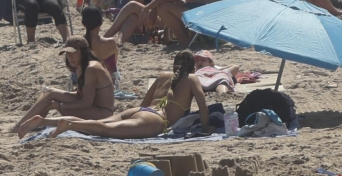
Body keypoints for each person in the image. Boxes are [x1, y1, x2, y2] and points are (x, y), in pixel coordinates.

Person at [31, 51, 209, 140]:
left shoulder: (163, 75)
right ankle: (69, 124)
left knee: (101, 123)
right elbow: (203, 108)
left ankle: (45, 121)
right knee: (106, 130)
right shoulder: (192, 79)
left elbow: (144, 102)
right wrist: (207, 129)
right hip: (156, 120)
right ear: (192, 68)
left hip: (139, 111)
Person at [15, 39, 115, 134]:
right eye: (67, 53)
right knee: (49, 92)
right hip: (92, 107)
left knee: (53, 102)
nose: (70, 57)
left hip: (102, 115)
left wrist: (60, 106)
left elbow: (86, 102)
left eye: (73, 53)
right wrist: (58, 99)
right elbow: (80, 95)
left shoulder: (92, 68)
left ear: (83, 51)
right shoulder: (80, 67)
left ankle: (22, 126)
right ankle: (25, 125)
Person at [80, 5, 119, 78]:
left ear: (83, 24)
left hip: (86, 78)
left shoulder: (80, 43)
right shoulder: (111, 42)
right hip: (107, 78)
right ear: (101, 22)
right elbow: (115, 62)